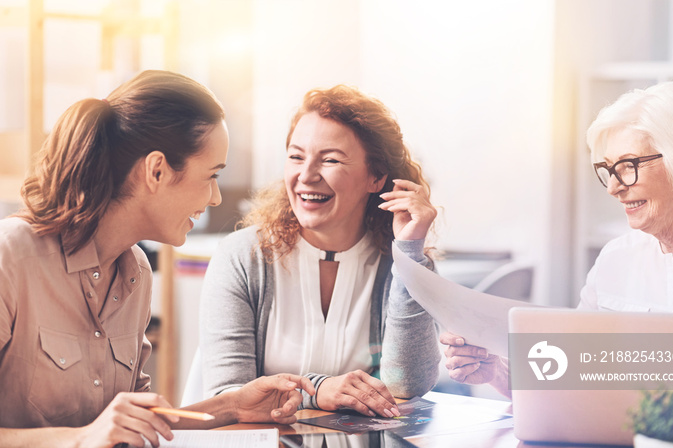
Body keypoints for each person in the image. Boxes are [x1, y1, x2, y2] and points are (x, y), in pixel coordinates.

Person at [0, 70, 314, 448]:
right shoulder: (11, 257)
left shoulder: (136, 273)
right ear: (157, 171)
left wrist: (231, 407)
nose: (215, 197)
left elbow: (138, 426)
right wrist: (81, 439)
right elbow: (95, 434)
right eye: (211, 176)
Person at [440, 81, 673, 398]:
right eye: (608, 170)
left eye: (628, 166)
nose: (613, 188)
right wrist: (497, 371)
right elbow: (573, 379)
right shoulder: (615, 260)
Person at [199, 85, 441, 418]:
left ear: (376, 177)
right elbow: (227, 394)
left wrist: (409, 254)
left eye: (329, 160)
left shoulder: (400, 263)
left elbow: (408, 384)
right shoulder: (243, 257)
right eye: (296, 157)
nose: (306, 176)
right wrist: (318, 390)